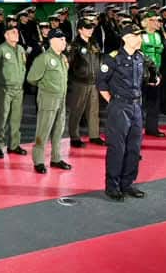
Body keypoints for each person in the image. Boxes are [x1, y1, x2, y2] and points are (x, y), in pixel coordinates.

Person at [97, 25, 148, 201]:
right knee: (117, 147)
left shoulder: (140, 57)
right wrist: (113, 101)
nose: (140, 39)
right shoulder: (113, 58)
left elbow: (142, 81)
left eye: (140, 36)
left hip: (136, 106)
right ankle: (112, 186)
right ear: (125, 38)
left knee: (134, 147)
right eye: (136, 36)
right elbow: (101, 83)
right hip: (119, 106)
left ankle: (127, 183)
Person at [27, 29, 70, 173]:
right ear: (52, 41)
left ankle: (56, 158)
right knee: (43, 130)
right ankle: (39, 161)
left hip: (61, 98)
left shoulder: (62, 58)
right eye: (61, 39)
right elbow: (31, 78)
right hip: (48, 99)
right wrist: (46, 86)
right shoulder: (43, 58)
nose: (64, 42)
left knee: (59, 130)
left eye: (64, 39)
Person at [0, 23, 27, 159]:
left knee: (16, 119)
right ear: (6, 35)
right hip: (4, 90)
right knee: (1, 118)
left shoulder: (21, 49)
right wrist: (2, 80)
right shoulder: (0, 50)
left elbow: (23, 67)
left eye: (17, 32)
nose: (16, 34)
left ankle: (14, 145)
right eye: (13, 32)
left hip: (18, 89)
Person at [65, 18, 105, 148]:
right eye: (87, 28)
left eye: (91, 27)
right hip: (79, 82)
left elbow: (99, 59)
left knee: (94, 110)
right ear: (80, 30)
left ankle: (94, 135)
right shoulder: (75, 45)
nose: (90, 30)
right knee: (77, 110)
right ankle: (74, 137)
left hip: (93, 82)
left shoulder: (94, 43)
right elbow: (68, 62)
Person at [139, 11, 166, 138]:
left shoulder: (158, 36)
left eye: (157, 20)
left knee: (154, 101)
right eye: (153, 20)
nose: (157, 22)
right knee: (140, 101)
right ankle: (136, 128)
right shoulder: (140, 35)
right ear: (146, 22)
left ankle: (152, 128)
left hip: (155, 72)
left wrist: (158, 72)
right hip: (142, 73)